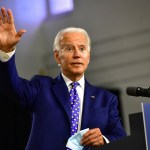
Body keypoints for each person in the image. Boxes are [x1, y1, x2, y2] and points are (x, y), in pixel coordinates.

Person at [0, 7, 126, 150]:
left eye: (82, 48)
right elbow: (11, 86)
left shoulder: (106, 99)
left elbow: (120, 136)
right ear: (57, 56)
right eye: (69, 48)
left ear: (88, 57)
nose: (77, 54)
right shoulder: (41, 87)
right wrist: (6, 51)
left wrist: (104, 139)